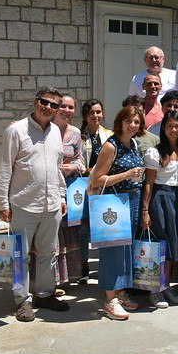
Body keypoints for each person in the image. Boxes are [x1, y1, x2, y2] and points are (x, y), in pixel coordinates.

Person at [0, 87, 69, 322]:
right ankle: (23, 300)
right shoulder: (16, 131)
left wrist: (62, 196)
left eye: (53, 105)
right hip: (24, 204)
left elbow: (56, 169)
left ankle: (45, 294)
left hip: (51, 205)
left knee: (48, 252)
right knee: (21, 255)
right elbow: (5, 168)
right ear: (35, 102)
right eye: (44, 102)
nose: (48, 107)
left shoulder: (56, 131)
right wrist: (2, 203)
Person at [88, 104, 147, 320]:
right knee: (112, 250)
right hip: (114, 202)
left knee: (125, 249)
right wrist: (127, 174)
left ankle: (120, 290)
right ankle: (110, 299)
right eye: (129, 121)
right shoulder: (111, 146)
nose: (132, 125)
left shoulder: (133, 143)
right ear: (120, 122)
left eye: (136, 122)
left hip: (131, 200)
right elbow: (98, 178)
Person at [141, 111, 178, 308]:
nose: (173, 130)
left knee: (173, 244)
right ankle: (155, 289)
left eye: (177, 126)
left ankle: (165, 285)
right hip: (159, 199)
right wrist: (145, 210)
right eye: (169, 126)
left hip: (177, 199)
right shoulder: (155, 152)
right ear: (163, 127)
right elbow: (148, 184)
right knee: (160, 243)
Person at [51, 94, 86, 290]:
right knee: (51, 235)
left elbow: (81, 161)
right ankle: (49, 281)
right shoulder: (46, 130)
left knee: (67, 233)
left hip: (69, 188)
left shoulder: (75, 133)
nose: (66, 110)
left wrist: (73, 167)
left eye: (71, 107)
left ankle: (62, 279)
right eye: (63, 106)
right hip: (50, 188)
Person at [79, 98, 111, 283]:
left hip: (103, 188)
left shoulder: (108, 135)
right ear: (85, 115)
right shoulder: (79, 135)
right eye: (91, 112)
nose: (95, 116)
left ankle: (102, 266)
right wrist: (86, 170)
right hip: (83, 187)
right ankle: (83, 266)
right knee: (83, 229)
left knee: (102, 228)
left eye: (98, 112)